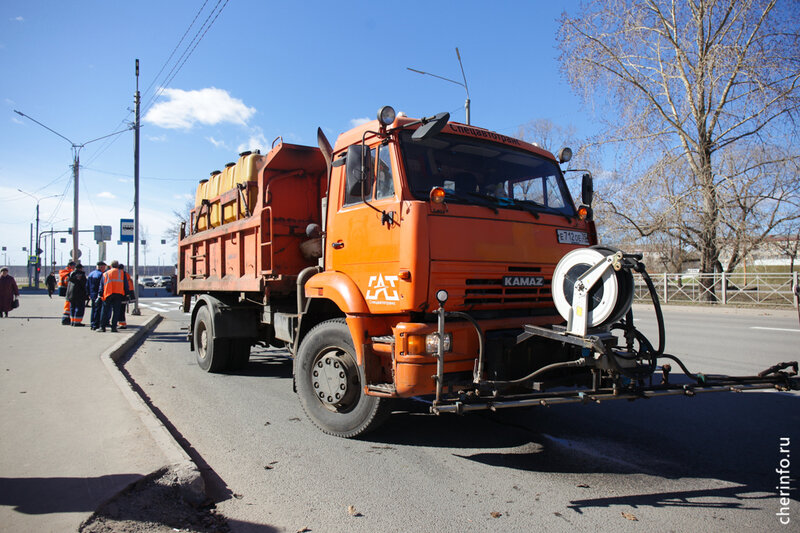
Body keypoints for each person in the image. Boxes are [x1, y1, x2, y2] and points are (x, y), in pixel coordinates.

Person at [98, 260, 129, 333]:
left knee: (105, 311)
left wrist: (100, 294)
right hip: (118, 294)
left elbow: (102, 285)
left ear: (110, 266)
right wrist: (127, 294)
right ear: (118, 266)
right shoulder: (122, 273)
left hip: (108, 293)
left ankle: (102, 327)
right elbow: (125, 284)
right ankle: (114, 327)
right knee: (116, 311)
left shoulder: (106, 273)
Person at [87, 261, 107, 330]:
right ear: (101, 267)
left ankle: (92, 324)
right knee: (98, 310)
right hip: (98, 294)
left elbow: (87, 285)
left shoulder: (91, 274)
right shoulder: (101, 274)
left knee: (93, 309)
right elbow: (102, 285)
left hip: (92, 294)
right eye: (104, 267)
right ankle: (96, 324)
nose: (105, 268)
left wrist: (88, 294)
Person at [117, 264, 135, 329]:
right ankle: (122, 323)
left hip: (121, 294)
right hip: (125, 295)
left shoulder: (120, 274)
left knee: (119, 310)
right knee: (122, 310)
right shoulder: (126, 274)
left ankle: (121, 323)